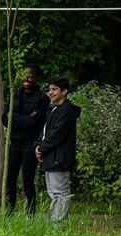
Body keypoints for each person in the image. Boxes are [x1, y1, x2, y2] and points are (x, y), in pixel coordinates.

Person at [1, 63, 49, 215]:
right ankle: (9, 212)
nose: (27, 78)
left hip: (30, 143)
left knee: (28, 180)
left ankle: (30, 214)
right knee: (10, 179)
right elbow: (4, 118)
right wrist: (24, 119)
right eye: (24, 74)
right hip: (14, 142)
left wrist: (14, 117)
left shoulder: (42, 98)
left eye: (31, 75)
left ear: (37, 78)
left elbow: (34, 122)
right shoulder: (15, 93)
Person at [35, 77, 81, 223]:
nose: (50, 92)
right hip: (49, 157)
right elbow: (44, 132)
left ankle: (59, 225)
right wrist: (37, 147)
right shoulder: (53, 110)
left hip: (59, 158)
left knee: (61, 193)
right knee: (54, 193)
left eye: (54, 89)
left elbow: (57, 134)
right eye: (49, 89)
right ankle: (56, 224)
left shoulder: (66, 111)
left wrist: (42, 148)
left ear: (64, 91)